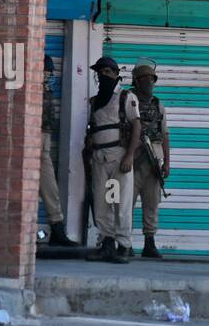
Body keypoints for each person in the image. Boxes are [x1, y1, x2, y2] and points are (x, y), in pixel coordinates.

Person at [84, 56, 141, 264]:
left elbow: (136, 126)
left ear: (116, 74)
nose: (103, 75)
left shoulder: (126, 97)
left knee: (121, 203)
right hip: (100, 160)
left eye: (108, 72)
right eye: (100, 72)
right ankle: (107, 243)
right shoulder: (95, 101)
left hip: (119, 159)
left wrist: (129, 156)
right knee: (103, 202)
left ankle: (124, 245)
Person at [128, 58, 170, 260]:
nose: (149, 83)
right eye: (145, 79)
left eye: (151, 79)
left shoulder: (158, 104)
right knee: (125, 203)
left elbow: (164, 134)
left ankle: (149, 242)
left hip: (153, 159)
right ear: (136, 81)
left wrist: (167, 162)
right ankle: (123, 242)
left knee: (152, 203)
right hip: (132, 157)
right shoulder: (127, 100)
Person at [39, 55, 76, 247]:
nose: (50, 74)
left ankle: (57, 229)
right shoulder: (29, 89)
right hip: (32, 144)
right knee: (46, 187)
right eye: (47, 70)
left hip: (43, 143)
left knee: (49, 187)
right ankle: (57, 228)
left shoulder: (46, 90)